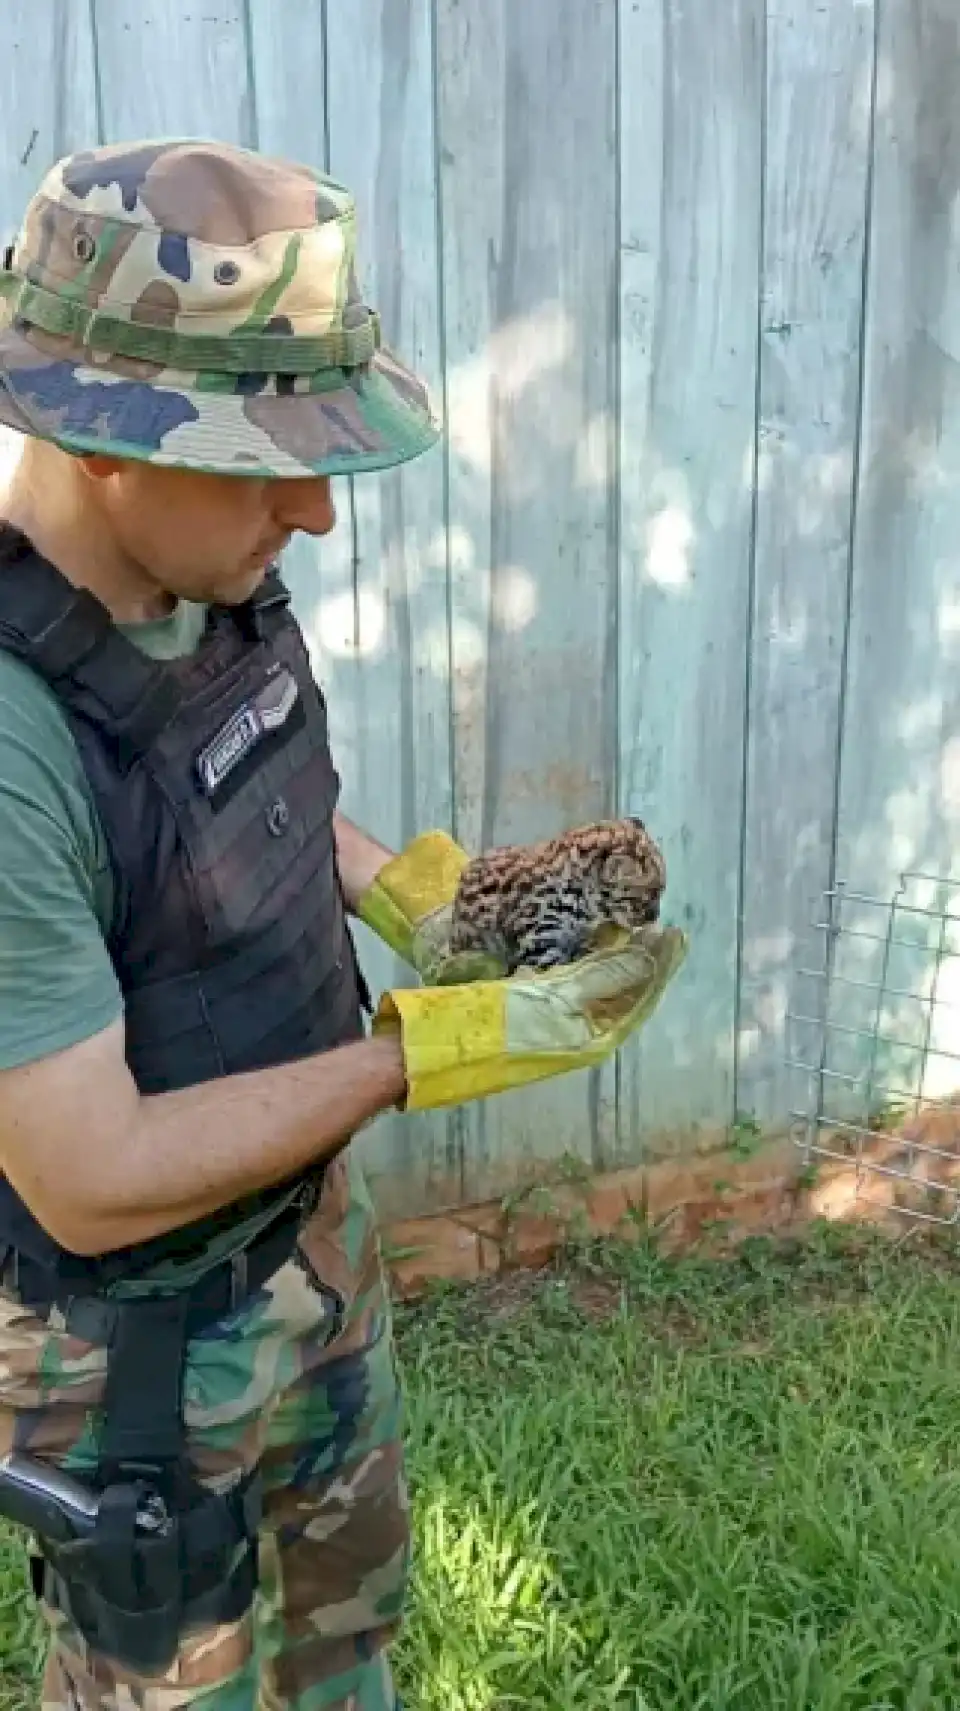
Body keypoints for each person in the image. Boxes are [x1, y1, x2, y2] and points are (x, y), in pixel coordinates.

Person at [0, 138, 686, 1711]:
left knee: (349, 1651)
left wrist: (422, 901)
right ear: (104, 437)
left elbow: (250, 797)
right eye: (264, 456)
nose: (312, 508)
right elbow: (90, 1175)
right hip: (134, 1362)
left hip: (308, 1250)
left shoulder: (200, 568)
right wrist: (412, 1059)